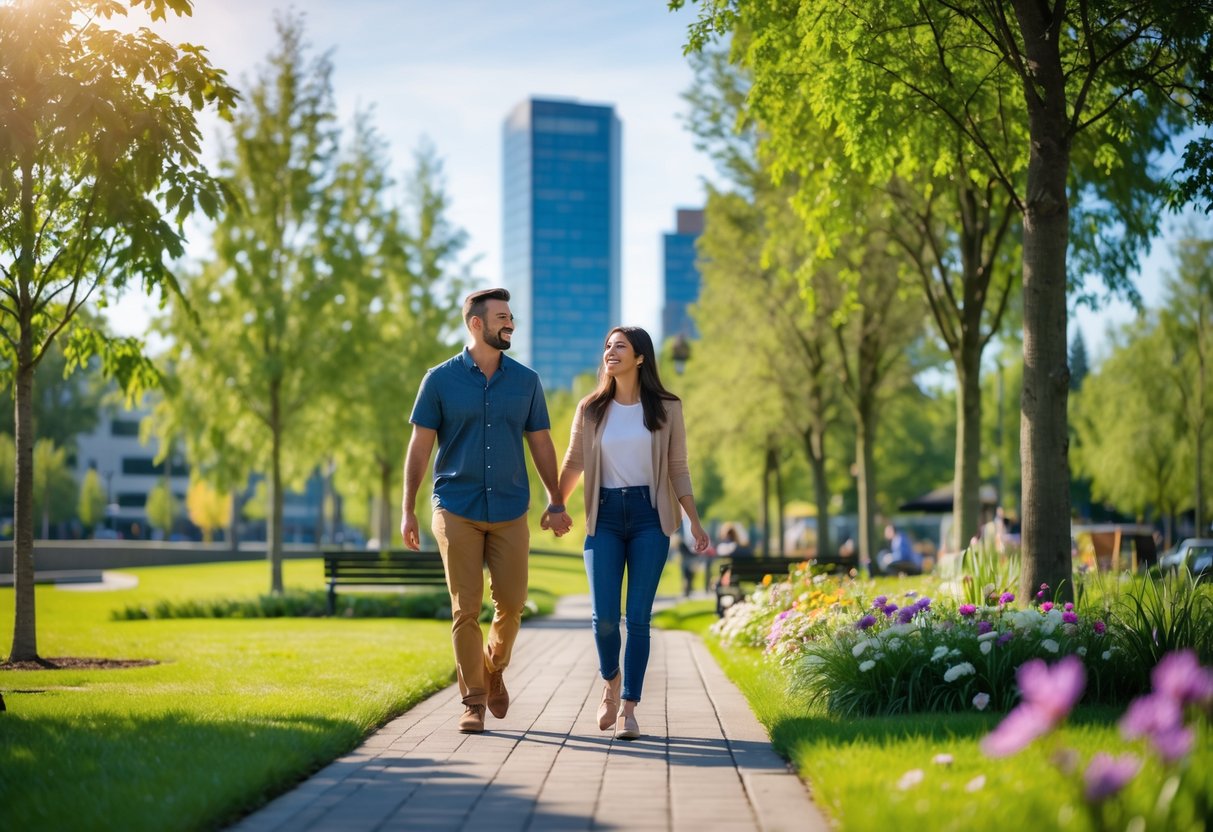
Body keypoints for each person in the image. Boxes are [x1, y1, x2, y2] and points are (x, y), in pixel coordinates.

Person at [400, 287, 571, 735]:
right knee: (465, 608)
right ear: (476, 323)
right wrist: (408, 510)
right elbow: (420, 446)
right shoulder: (438, 380)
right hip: (456, 505)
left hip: (511, 507)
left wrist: (556, 500)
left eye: (511, 316)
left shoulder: (526, 382)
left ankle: (494, 668)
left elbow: (540, 444)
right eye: (501, 317)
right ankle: (473, 700)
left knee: (512, 604)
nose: (510, 323)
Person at [550, 326, 709, 741]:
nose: (610, 351)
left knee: (637, 618)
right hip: (602, 516)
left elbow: (678, 467)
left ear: (640, 357)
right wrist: (556, 504)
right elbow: (573, 462)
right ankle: (610, 682)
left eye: (619, 346)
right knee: (605, 618)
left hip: (649, 517)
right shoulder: (590, 408)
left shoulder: (667, 407)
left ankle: (629, 709)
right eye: (606, 345)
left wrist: (693, 518)